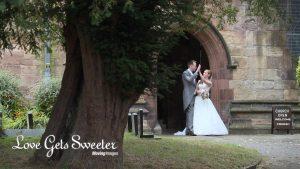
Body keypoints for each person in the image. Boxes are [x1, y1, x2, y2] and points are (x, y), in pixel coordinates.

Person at [193, 66, 228, 135]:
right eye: (203, 72)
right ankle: (198, 129)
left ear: (208, 75)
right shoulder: (199, 81)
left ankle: (208, 129)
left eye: (205, 72)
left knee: (206, 113)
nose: (203, 73)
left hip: (205, 100)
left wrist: (199, 72)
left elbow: (205, 81)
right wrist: (198, 92)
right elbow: (195, 90)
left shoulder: (209, 82)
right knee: (199, 114)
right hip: (199, 99)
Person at [181, 60, 200, 136]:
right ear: (190, 66)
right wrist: (197, 71)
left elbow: (194, 84)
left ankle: (189, 130)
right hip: (188, 95)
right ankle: (190, 130)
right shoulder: (185, 73)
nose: (195, 67)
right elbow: (189, 80)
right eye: (195, 66)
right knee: (190, 112)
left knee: (190, 112)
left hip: (193, 95)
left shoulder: (192, 73)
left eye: (196, 66)